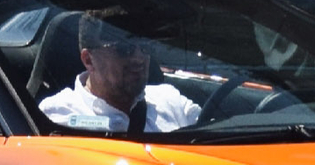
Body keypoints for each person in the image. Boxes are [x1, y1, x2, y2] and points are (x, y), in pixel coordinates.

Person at [36, 13, 202, 135]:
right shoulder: (56, 116)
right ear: (89, 60)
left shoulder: (171, 100)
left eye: (145, 47)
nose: (139, 58)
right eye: (124, 49)